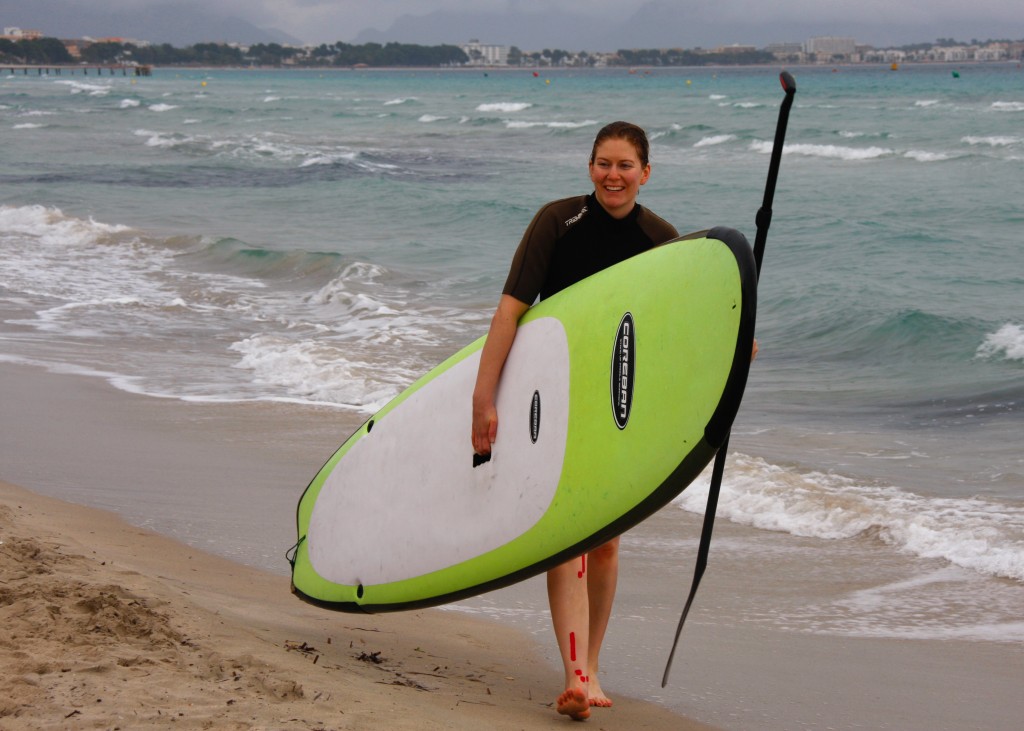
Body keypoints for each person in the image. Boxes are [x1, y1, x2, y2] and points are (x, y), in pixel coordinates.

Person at [471, 121, 679, 721]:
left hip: (621, 404)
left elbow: (677, 324)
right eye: (603, 164)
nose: (613, 175)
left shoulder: (660, 238)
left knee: (607, 543)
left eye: (625, 165)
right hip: (553, 400)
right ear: (590, 167)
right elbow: (510, 313)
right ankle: (575, 675)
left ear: (646, 171)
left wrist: (738, 337)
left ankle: (592, 664)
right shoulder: (556, 222)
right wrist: (484, 399)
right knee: (569, 539)